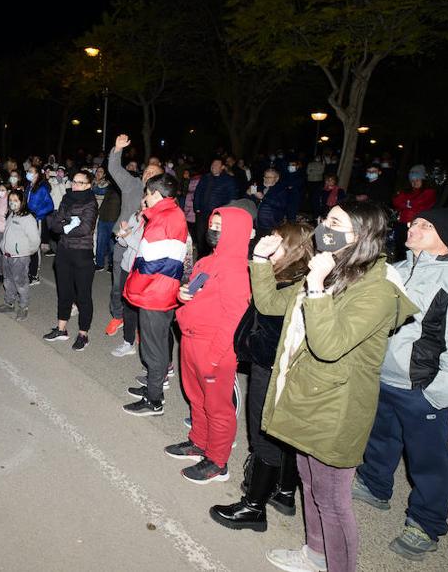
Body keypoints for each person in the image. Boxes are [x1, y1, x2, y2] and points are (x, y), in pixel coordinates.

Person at [253, 202, 419, 572]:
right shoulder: (333, 270)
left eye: (334, 222)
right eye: (326, 218)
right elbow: (269, 303)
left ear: (359, 235)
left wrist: (316, 288)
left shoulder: (376, 289)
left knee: (332, 499)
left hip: (336, 407)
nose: (323, 226)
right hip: (305, 396)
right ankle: (315, 554)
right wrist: (262, 261)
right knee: (310, 486)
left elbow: (328, 346)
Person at [353, 208, 448, 561]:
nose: (413, 228)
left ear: (445, 238)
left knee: (429, 460)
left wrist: (441, 392)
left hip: (423, 387)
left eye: (425, 226)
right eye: (414, 223)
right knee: (381, 437)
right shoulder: (397, 270)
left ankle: (425, 524)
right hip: (383, 377)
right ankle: (374, 484)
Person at [210, 221, 312, 531]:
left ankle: (253, 508)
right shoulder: (292, 274)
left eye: (278, 241)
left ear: (293, 248)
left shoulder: (299, 281)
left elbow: (268, 306)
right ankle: (282, 492)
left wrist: (258, 259)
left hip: (273, 368)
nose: (270, 243)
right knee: (279, 435)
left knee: (264, 435)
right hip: (272, 364)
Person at [164, 205, 253, 483]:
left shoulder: (236, 270)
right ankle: (199, 442)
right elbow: (193, 293)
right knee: (196, 397)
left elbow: (234, 317)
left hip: (214, 348)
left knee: (218, 407)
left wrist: (214, 355)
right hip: (191, 340)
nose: (212, 231)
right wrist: (182, 301)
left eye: (220, 227)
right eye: (212, 225)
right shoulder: (208, 261)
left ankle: (217, 461)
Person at [121, 174, 188, 415]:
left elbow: (148, 264)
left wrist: (133, 289)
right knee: (155, 344)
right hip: (161, 289)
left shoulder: (164, 219)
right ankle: (152, 387)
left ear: (157, 195)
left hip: (155, 291)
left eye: (147, 194)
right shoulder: (169, 215)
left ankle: (154, 400)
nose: (144, 198)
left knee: (153, 347)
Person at [104, 135, 164, 349]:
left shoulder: (162, 197)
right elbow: (115, 169)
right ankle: (118, 315)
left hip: (146, 248)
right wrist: (117, 149)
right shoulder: (132, 185)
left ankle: (136, 325)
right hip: (122, 242)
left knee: (140, 289)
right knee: (118, 285)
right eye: (146, 171)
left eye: (153, 173)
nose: (148, 174)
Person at [42, 169, 99, 350]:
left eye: (80, 182)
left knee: (83, 295)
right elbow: (55, 222)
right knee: (64, 292)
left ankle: (83, 334)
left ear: (89, 185)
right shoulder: (67, 198)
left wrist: (65, 226)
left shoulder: (91, 202)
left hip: (82, 254)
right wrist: (67, 223)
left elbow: (85, 228)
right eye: (73, 181)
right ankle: (61, 329)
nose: (75, 185)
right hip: (64, 251)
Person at [0, 188, 40, 320]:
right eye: (10, 200)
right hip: (7, 255)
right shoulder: (11, 215)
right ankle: (9, 303)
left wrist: (25, 252)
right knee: (8, 281)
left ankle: (23, 307)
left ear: (22, 202)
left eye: (15, 200)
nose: (12, 203)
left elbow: (35, 239)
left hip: (19, 257)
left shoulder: (27, 218)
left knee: (21, 283)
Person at [193, 158, 237, 257]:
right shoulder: (205, 178)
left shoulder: (228, 180)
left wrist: (223, 213)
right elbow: (198, 192)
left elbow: (232, 198)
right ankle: (201, 258)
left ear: (222, 167)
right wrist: (196, 207)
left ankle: (214, 257)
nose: (213, 167)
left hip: (217, 216)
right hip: (202, 212)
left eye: (217, 165)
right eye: (212, 165)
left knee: (214, 238)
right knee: (201, 236)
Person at [24, 164, 54, 285]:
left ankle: (34, 275)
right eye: (28, 171)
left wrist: (37, 214)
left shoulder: (41, 189)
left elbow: (50, 205)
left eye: (31, 171)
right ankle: (29, 271)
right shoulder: (28, 187)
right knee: (27, 245)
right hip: (27, 219)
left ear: (37, 174)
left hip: (37, 220)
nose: (28, 173)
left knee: (35, 247)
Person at [249, 168, 289, 239]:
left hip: (271, 224)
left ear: (277, 178)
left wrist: (263, 197)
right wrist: (249, 193)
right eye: (265, 177)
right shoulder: (260, 187)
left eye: (269, 177)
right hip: (257, 222)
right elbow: (252, 202)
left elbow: (281, 205)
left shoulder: (281, 189)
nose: (266, 179)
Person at [93, 166, 119, 272]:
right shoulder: (95, 183)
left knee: (112, 243)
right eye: (97, 171)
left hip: (114, 218)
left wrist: (93, 185)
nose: (98, 173)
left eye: (101, 172)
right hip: (101, 215)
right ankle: (99, 263)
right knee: (100, 240)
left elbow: (100, 191)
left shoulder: (108, 185)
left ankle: (112, 264)